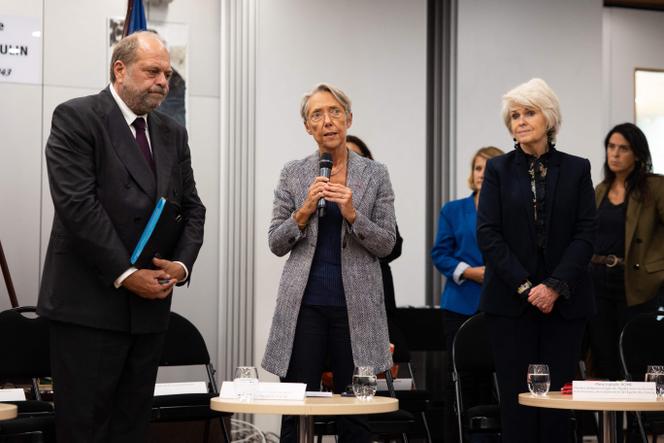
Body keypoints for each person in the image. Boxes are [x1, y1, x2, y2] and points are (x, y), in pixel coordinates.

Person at [37, 31, 206, 443]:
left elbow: (193, 208)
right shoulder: (77, 117)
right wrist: (128, 274)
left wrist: (180, 267)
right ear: (120, 69)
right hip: (89, 308)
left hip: (149, 312)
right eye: (152, 71)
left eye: (167, 73)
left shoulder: (172, 133)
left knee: (131, 430)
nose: (163, 81)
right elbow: (78, 207)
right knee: (85, 431)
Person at [262, 83, 396, 443]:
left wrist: (354, 215)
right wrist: (303, 211)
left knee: (356, 413)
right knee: (296, 408)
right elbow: (276, 242)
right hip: (303, 307)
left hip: (358, 309)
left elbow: (387, 244)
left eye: (335, 112)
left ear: (349, 119)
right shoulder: (293, 173)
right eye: (317, 115)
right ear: (308, 127)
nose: (327, 121)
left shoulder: (375, 173)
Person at [477, 78, 596, 443]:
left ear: (549, 118)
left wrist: (555, 286)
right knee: (519, 406)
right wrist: (528, 287)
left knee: (557, 406)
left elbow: (585, 234)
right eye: (515, 115)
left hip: (564, 305)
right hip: (511, 304)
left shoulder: (577, 169)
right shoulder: (497, 170)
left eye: (529, 112)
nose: (521, 121)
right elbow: (488, 234)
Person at [587, 123, 664, 380]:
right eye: (611, 147)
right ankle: (613, 420)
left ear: (638, 154)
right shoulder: (600, 189)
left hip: (637, 281)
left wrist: (659, 270)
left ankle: (638, 420)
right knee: (603, 354)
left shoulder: (655, 187)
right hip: (598, 280)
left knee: (636, 356)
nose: (615, 154)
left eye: (623, 148)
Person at [431, 145, 504, 353]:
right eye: (478, 168)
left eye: (488, 168)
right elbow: (440, 254)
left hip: (501, 301)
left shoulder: (513, 211)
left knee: (499, 372)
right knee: (461, 373)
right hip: (460, 302)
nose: (482, 174)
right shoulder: (452, 210)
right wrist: (469, 272)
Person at [346, 134, 403, 314]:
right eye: (344, 156)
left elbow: (395, 247)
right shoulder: (323, 195)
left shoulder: (378, 196)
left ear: (369, 160)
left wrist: (356, 218)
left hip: (375, 287)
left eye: (357, 156)